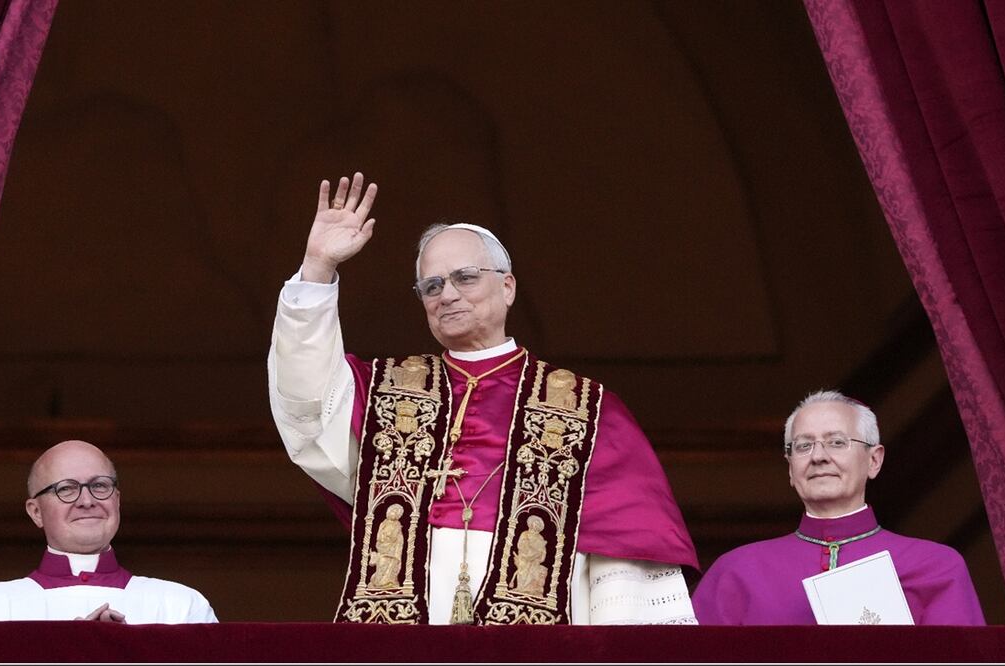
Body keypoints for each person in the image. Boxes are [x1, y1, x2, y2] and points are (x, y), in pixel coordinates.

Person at [268, 171, 699, 625]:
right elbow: (308, 401)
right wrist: (318, 268)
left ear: (507, 287)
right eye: (431, 286)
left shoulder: (588, 409)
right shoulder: (388, 393)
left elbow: (625, 562)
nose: (447, 294)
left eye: (465, 277)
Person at [691, 390, 986, 625]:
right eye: (804, 446)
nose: (818, 456)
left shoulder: (935, 567)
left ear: (874, 460)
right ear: (790, 469)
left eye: (836, 442)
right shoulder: (736, 572)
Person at [0, 440, 218, 623]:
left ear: (117, 500)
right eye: (67, 489)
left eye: (99, 485)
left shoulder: (181, 608)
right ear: (36, 512)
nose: (87, 501)